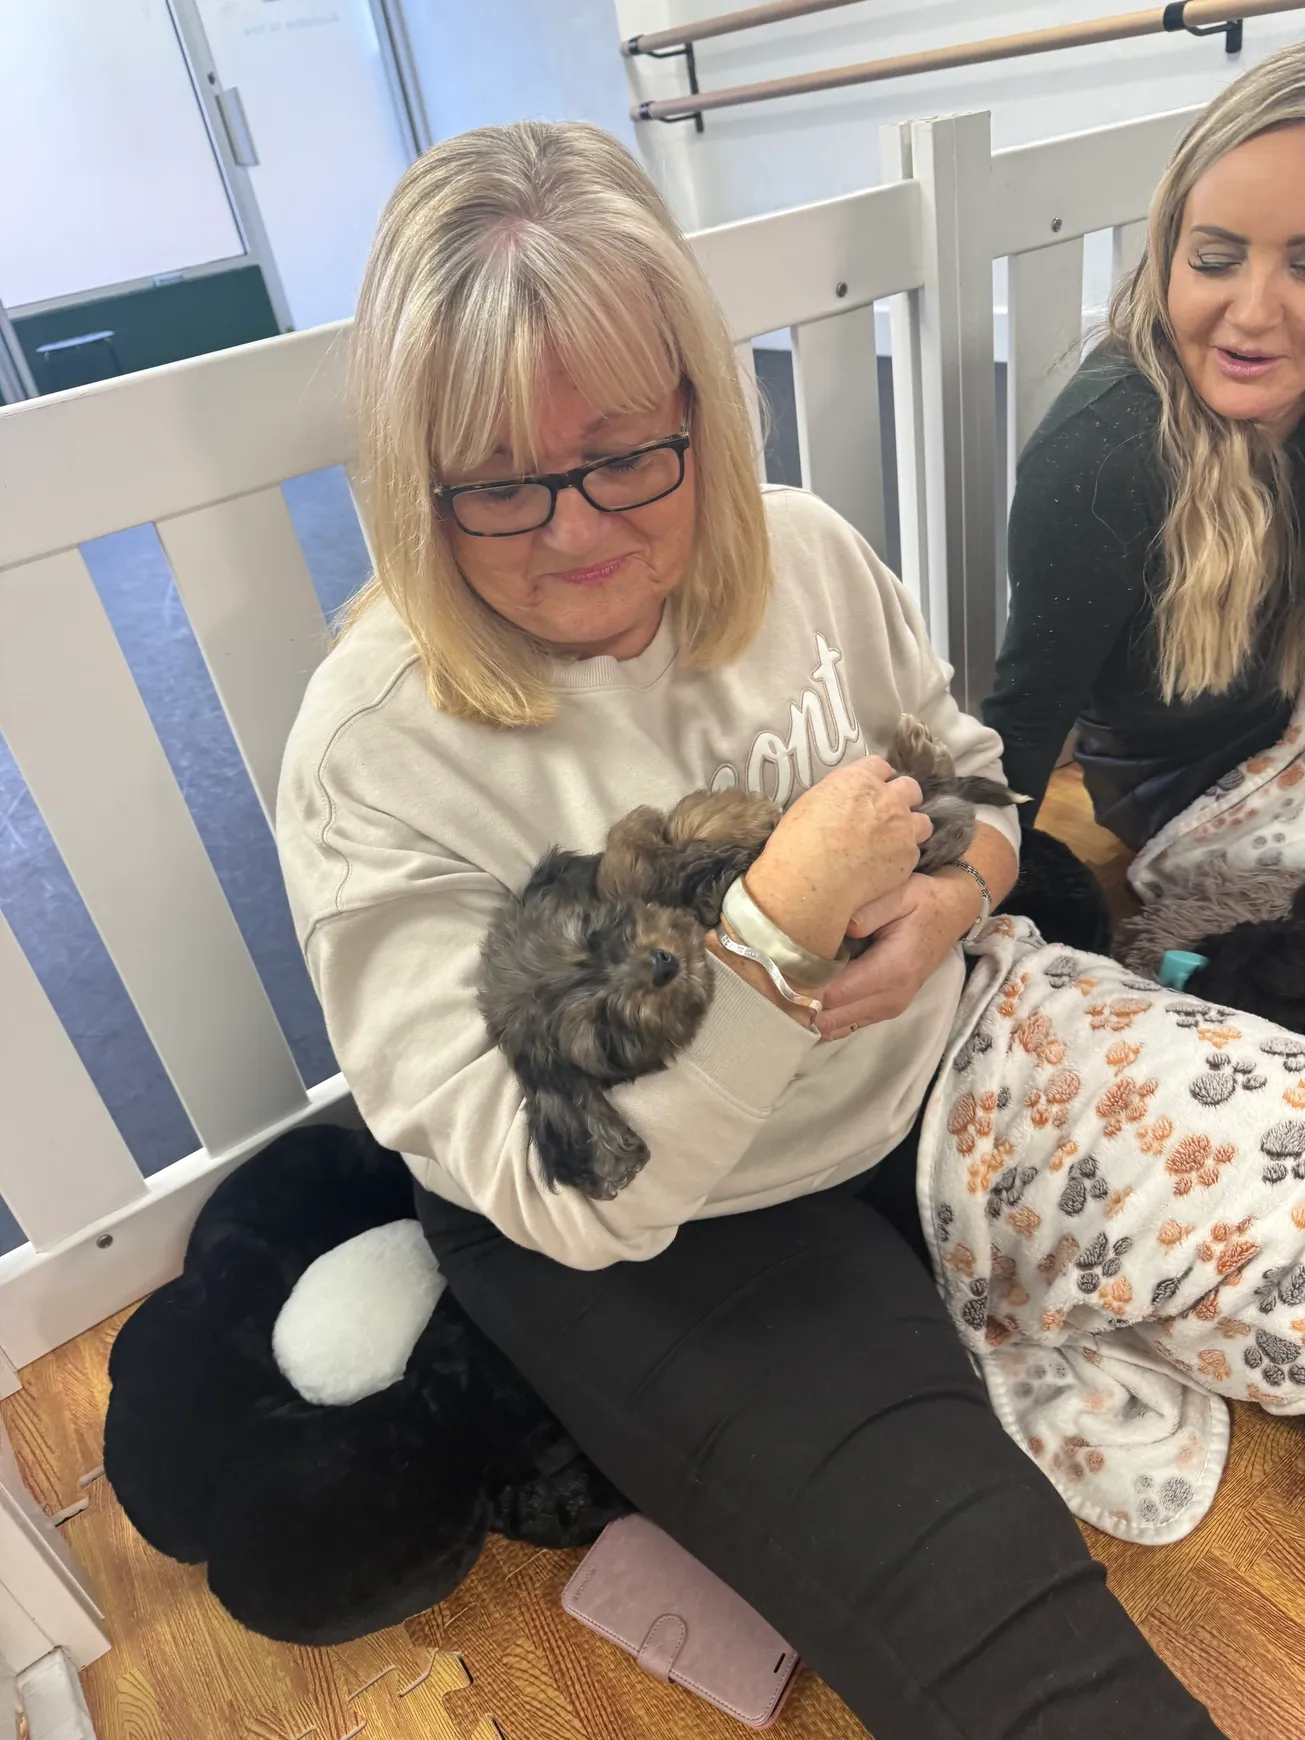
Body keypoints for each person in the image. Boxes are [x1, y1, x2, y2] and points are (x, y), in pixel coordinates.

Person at [277, 121, 1231, 1737]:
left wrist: (949, 899)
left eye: (628, 456)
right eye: (501, 484)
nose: (577, 531)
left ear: (701, 415)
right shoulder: (367, 755)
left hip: (936, 1048)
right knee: (1017, 1656)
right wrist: (778, 938)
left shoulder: (804, 553)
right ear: (412, 478)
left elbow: (986, 794)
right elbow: (561, 1191)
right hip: (650, 1224)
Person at [984, 44, 1305, 851]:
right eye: (1214, 260)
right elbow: (1025, 719)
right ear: (1167, 253)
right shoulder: (1104, 454)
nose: (1254, 312)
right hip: (1188, 791)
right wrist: (975, 897)